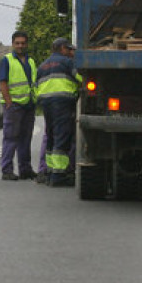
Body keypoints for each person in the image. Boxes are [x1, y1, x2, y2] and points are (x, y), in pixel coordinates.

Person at [35, 38, 83, 187]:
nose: (71, 52)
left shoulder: (42, 65)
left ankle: (50, 171)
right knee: (62, 136)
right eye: (69, 49)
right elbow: (81, 78)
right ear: (62, 48)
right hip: (63, 102)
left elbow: (36, 87)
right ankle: (59, 174)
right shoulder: (67, 62)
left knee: (51, 137)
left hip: (46, 104)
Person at [0, 31, 37, 181]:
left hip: (28, 105)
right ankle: (7, 170)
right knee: (11, 138)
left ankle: (25, 169)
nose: (20, 46)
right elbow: (3, 82)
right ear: (13, 44)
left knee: (26, 139)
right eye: (17, 43)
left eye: (23, 43)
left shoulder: (31, 61)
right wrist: (8, 102)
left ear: (26, 44)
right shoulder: (7, 60)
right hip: (14, 106)